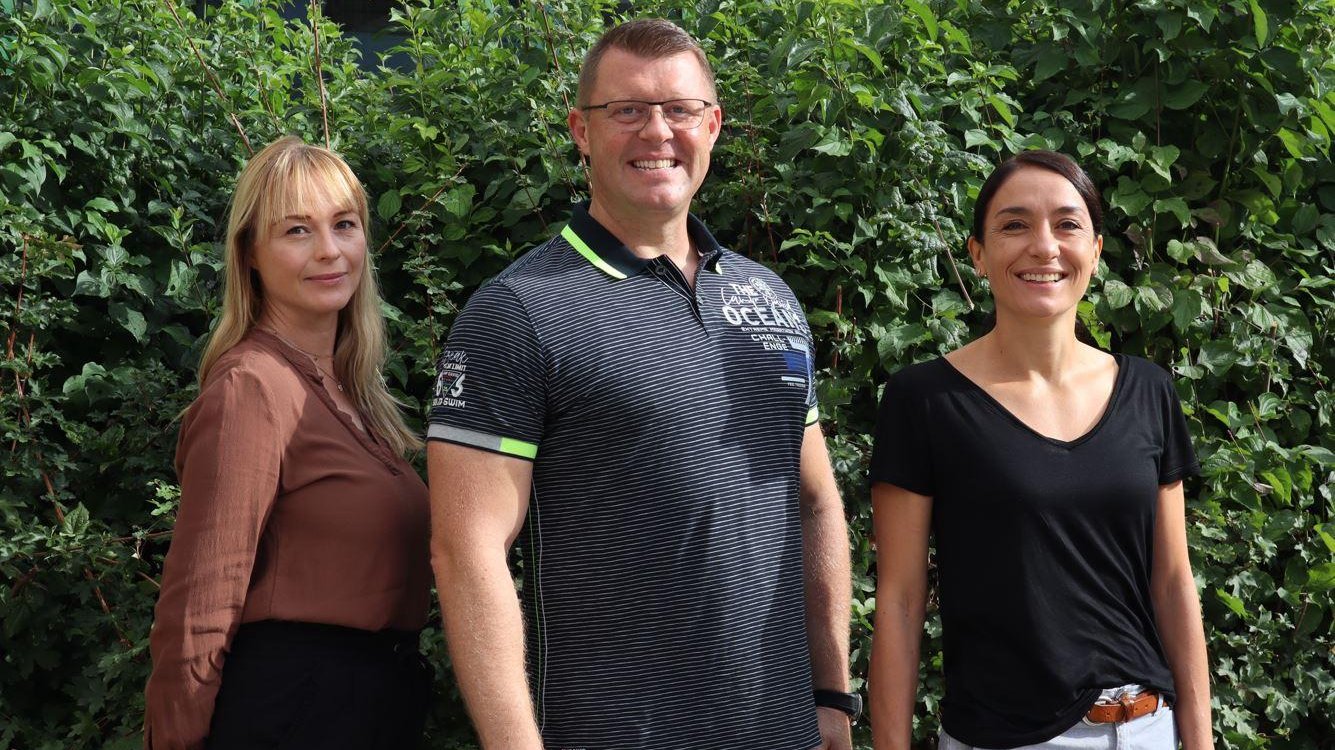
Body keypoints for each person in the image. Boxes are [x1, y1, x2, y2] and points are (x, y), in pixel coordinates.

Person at [427, 18, 855, 750]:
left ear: (713, 126)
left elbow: (813, 503)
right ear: (580, 131)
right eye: (626, 110)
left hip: (782, 731)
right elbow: (466, 552)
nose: (656, 132)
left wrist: (830, 696)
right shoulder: (518, 312)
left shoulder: (768, 299)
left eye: (678, 110)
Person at [868, 150, 1214, 750]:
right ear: (977, 254)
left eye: (1067, 223)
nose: (1044, 246)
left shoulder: (1149, 391)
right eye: (1014, 224)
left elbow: (1174, 583)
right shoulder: (924, 401)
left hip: (1148, 728)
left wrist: (1200, 740)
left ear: (1097, 250)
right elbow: (899, 602)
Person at [144, 136, 432, 750]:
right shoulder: (253, 386)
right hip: (293, 709)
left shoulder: (350, 395)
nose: (330, 251)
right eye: (297, 230)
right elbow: (201, 598)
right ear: (249, 251)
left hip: (368, 705)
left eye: (344, 225)